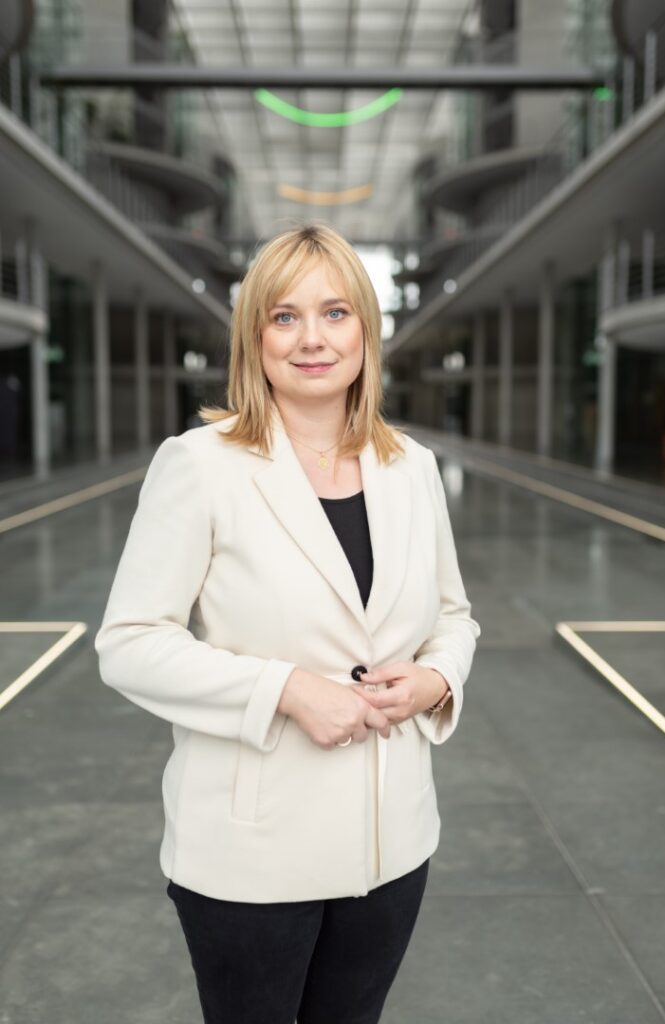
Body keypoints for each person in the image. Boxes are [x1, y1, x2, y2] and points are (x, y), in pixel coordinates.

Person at [95, 222, 481, 1024]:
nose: (312, 338)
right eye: (285, 316)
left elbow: (454, 614)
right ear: (255, 337)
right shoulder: (200, 466)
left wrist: (438, 676)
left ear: (366, 334)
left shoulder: (409, 468)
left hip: (392, 845)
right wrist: (284, 690)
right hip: (251, 859)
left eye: (336, 313)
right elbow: (129, 644)